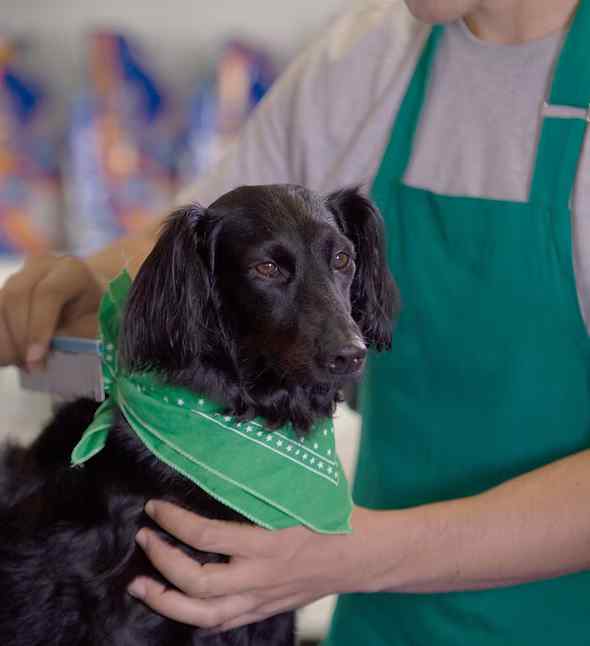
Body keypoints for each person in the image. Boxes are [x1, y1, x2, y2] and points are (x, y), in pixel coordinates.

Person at [1, 0, 589, 642]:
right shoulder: (376, 49)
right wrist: (89, 279)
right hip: (383, 621)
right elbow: (234, 228)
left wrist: (360, 554)